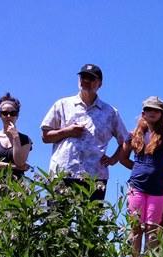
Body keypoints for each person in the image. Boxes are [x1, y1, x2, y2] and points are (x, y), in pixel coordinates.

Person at [40, 64, 128, 201]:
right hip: (63, 172)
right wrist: (67, 131)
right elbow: (45, 136)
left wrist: (113, 159)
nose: (86, 81)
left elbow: (126, 141)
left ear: (100, 84)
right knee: (57, 219)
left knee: (90, 221)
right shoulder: (62, 104)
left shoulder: (110, 112)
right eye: (83, 77)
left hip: (94, 177)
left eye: (91, 78)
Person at [120, 96, 163, 257]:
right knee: (136, 227)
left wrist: (162, 171)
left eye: (156, 110)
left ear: (162, 114)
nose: (152, 113)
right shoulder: (133, 136)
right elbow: (123, 158)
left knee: (153, 229)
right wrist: (138, 168)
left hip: (159, 189)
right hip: (137, 187)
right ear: (143, 113)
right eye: (149, 110)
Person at [0, 93, 32, 188]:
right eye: (5, 113)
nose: (8, 116)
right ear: (0, 115)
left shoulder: (25, 139)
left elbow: (20, 162)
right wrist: (15, 167)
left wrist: (16, 137)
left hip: (17, 188)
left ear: (17, 115)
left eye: (12, 113)